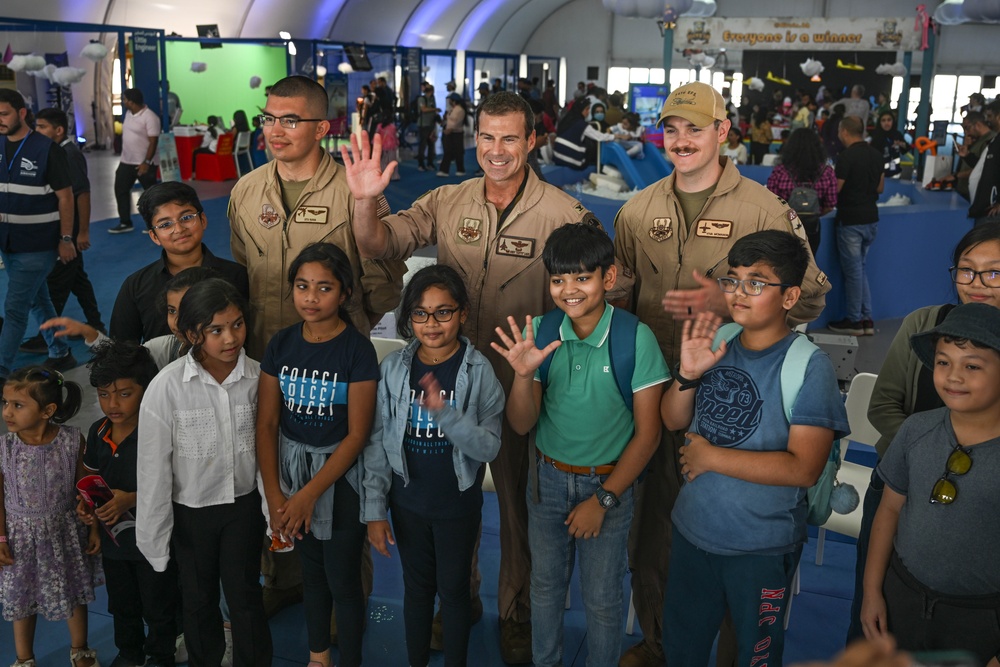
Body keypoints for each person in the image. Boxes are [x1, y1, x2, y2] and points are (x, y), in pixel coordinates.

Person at [342, 90, 620, 664]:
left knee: (523, 508)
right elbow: (379, 241)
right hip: (451, 380)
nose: (497, 150)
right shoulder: (448, 199)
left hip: (527, 384)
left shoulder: (563, 214)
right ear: (476, 138)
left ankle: (519, 612)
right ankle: (459, 598)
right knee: (453, 495)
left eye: (510, 138)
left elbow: (600, 290)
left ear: (531, 141)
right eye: (487, 137)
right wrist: (365, 201)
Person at [613, 81, 830, 667]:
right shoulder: (638, 209)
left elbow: (808, 301)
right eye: (672, 128)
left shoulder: (764, 210)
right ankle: (661, 644)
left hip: (741, 406)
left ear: (722, 132)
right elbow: (624, 304)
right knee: (655, 530)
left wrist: (730, 299)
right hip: (658, 394)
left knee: (741, 542)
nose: (681, 140)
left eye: (695, 128)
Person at [660, 230, 849, 666]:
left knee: (755, 654)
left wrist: (712, 458)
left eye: (757, 283)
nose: (739, 293)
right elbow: (673, 420)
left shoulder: (808, 367)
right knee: (682, 648)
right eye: (733, 280)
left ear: (790, 297)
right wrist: (687, 376)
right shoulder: (719, 337)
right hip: (693, 530)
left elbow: (803, 469)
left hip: (760, 547)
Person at [491, 222, 668, 667]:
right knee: (545, 590)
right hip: (546, 483)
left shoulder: (634, 338)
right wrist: (524, 374)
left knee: (604, 598)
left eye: (582, 277)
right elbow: (520, 423)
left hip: (610, 487)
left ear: (608, 279)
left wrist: (604, 500)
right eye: (558, 279)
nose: (569, 290)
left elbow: (648, 435)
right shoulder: (544, 331)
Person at [847, 223, 1000, 642]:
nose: (977, 284)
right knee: (874, 620)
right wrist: (925, 456)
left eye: (995, 273)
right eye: (966, 270)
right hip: (902, 486)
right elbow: (881, 405)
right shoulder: (927, 325)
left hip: (983, 514)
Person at [364, 264, 505, 667]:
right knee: (417, 590)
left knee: (455, 592)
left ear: (461, 313)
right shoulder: (393, 370)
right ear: (408, 317)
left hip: (456, 508)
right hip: (407, 505)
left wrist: (447, 414)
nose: (432, 323)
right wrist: (374, 511)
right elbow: (376, 444)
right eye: (421, 313)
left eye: (443, 312)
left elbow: (488, 448)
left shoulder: (479, 373)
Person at [137, 278, 272, 665]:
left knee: (246, 595)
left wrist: (272, 511)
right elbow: (153, 470)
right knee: (197, 599)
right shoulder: (167, 388)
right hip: (191, 512)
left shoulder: (259, 379)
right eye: (216, 330)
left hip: (242, 508)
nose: (231, 338)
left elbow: (267, 452)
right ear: (193, 333)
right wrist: (155, 536)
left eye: (237, 324)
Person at [255, 243, 376, 667]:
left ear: (344, 293)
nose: (310, 297)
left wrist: (308, 496)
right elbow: (267, 425)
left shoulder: (357, 351)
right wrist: (276, 496)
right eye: (302, 286)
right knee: (312, 574)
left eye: (324, 288)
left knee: (342, 578)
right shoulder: (282, 343)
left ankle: (352, 659)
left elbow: (357, 435)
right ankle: (318, 657)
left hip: (340, 480)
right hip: (291, 474)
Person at [228, 75, 405, 359]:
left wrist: (344, 331)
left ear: (321, 128)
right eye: (268, 119)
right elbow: (244, 269)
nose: (275, 132)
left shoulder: (356, 193)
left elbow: (383, 290)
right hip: (261, 356)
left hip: (334, 360)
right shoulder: (245, 192)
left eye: (290, 121)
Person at [861, 303, 1000, 667]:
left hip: (981, 619)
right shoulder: (915, 430)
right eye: (943, 362)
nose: (953, 376)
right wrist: (872, 591)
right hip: (901, 598)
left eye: (972, 365)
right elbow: (889, 510)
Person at [79, 340, 178, 667]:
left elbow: (182, 484)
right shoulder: (97, 432)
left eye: (124, 393)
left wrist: (131, 498)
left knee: (159, 605)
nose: (112, 404)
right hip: (114, 543)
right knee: (121, 605)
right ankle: (129, 653)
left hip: (157, 540)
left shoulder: (162, 430)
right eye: (104, 394)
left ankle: (161, 655)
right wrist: (90, 514)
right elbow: (92, 483)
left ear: (147, 389)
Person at [0, 367, 100, 667]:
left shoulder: (72, 441)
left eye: (18, 405)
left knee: (74, 593)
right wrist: (1, 537)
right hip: (20, 540)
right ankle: (24, 658)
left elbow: (86, 488)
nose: (7, 412)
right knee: (21, 601)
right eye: (5, 403)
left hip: (64, 535)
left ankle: (80, 649)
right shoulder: (5, 448)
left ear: (48, 410)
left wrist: (93, 525)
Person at [0, 88, 78, 385]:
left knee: (15, 307)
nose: (0, 120)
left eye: (4, 113)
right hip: (8, 242)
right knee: (38, 300)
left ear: (22, 113)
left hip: (37, 244)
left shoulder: (47, 149)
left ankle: (2, 370)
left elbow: (66, 198)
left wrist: (67, 238)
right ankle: (59, 351)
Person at [111, 181, 249, 344]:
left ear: (203, 220)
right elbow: (120, 348)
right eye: (165, 224)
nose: (178, 228)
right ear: (154, 236)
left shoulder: (236, 276)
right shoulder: (136, 286)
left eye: (186, 217)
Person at [27, 108, 104, 345]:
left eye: (42, 127)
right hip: (65, 229)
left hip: (69, 232)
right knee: (78, 279)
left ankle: (48, 337)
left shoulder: (68, 154)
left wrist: (80, 232)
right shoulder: (57, 151)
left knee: (57, 282)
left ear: (58, 130)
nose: (36, 131)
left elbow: (82, 194)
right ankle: (96, 324)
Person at [827, 115, 884, 337]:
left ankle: (854, 321)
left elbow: (835, 191)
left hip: (851, 220)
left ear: (843, 132)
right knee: (860, 270)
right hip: (872, 219)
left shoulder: (846, 157)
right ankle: (866, 319)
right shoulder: (877, 155)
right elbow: (880, 188)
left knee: (853, 273)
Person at [766, 128, 838, 255]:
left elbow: (771, 200)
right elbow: (830, 204)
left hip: (784, 226)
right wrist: (812, 212)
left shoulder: (780, 171)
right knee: (809, 263)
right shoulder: (826, 172)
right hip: (812, 227)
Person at [110, 88, 160, 234]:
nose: (123, 101)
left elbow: (153, 142)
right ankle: (125, 222)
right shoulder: (128, 114)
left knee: (151, 196)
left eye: (124, 99)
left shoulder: (150, 117)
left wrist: (146, 162)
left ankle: (155, 225)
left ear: (131, 102)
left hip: (144, 163)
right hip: (126, 161)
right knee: (120, 189)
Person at [552, 96, 614, 169]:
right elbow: (599, 137)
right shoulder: (581, 124)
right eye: (587, 109)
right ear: (580, 109)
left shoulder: (566, 119)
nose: (588, 112)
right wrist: (615, 136)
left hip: (556, 157)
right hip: (573, 161)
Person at [967, 100, 1000, 226]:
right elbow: (986, 167)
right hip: (984, 209)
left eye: (991, 117)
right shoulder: (995, 140)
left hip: (992, 213)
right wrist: (968, 156)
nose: (988, 121)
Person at [950, 111, 995, 200]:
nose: (966, 132)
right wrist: (967, 148)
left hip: (976, 192)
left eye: (967, 128)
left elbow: (983, 168)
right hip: (965, 189)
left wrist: (956, 175)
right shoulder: (976, 139)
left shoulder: (991, 141)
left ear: (977, 125)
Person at [868, 112, 910, 178]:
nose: (886, 123)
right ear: (880, 122)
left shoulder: (897, 134)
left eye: (889, 120)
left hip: (895, 173)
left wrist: (900, 144)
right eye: (883, 120)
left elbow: (906, 149)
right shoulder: (876, 136)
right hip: (879, 174)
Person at [438, 93, 468, 177]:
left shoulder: (459, 110)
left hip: (456, 133)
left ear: (453, 101)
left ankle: (459, 169)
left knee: (458, 152)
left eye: (450, 100)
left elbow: (457, 121)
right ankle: (444, 170)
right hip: (450, 132)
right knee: (448, 151)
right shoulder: (452, 109)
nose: (449, 101)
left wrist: (450, 129)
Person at [415, 84, 440, 172]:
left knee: (431, 144)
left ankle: (430, 163)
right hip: (423, 125)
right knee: (423, 145)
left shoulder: (432, 99)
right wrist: (435, 109)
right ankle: (421, 164)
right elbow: (423, 109)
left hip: (431, 125)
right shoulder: (422, 99)